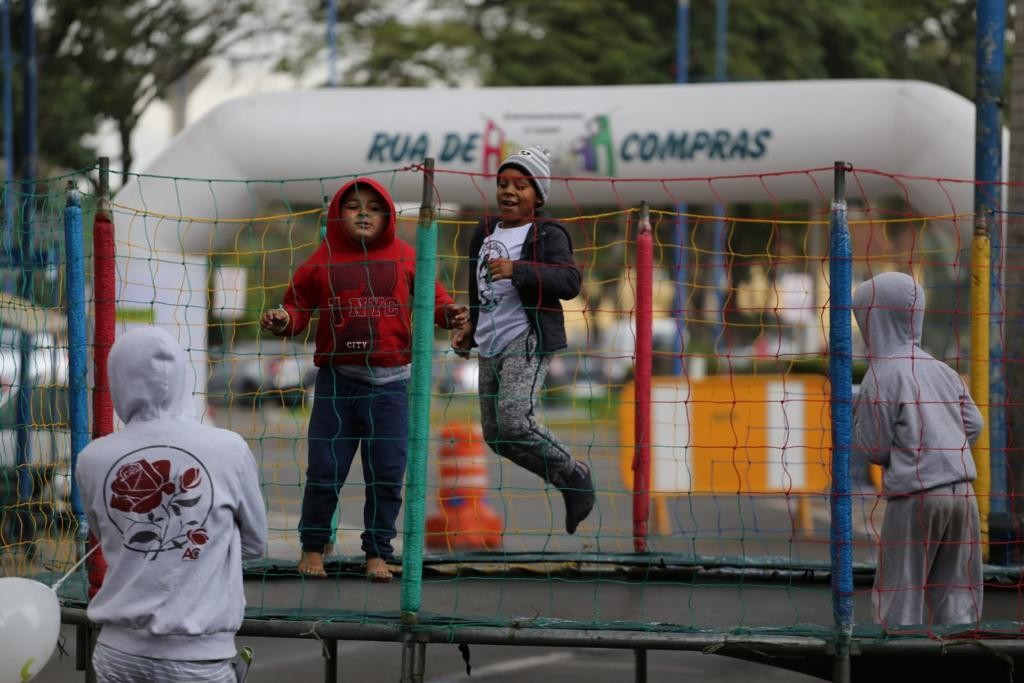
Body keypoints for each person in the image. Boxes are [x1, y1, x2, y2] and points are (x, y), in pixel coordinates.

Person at [261, 177, 467, 580]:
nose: (363, 214)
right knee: (324, 470)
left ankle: (377, 552)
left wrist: (451, 316)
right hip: (338, 382)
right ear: (339, 214)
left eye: (373, 208)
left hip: (391, 385)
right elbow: (297, 306)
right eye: (354, 207)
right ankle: (314, 548)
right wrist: (283, 320)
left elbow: (435, 301)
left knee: (387, 473)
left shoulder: (407, 256)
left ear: (388, 216)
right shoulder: (322, 260)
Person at [76, 326, 268, 682]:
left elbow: (108, 537)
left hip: (117, 653)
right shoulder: (229, 448)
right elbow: (255, 544)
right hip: (198, 657)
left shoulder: (92, 457)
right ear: (184, 377)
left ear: (117, 380)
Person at [452, 146, 596, 535]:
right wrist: (470, 327)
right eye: (503, 184)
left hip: (527, 336)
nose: (509, 192)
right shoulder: (482, 231)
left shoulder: (548, 233)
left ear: (539, 195)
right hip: (490, 341)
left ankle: (574, 473)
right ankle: (567, 480)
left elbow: (569, 282)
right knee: (497, 435)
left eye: (520, 185)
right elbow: (478, 285)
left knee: (516, 421)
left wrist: (519, 270)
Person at [852, 271, 984, 627]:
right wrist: (946, 445)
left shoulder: (881, 375)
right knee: (957, 585)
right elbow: (975, 423)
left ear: (872, 319)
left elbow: (876, 448)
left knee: (901, 586)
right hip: (962, 492)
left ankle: (897, 658)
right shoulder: (941, 369)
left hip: (916, 496)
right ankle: (959, 654)